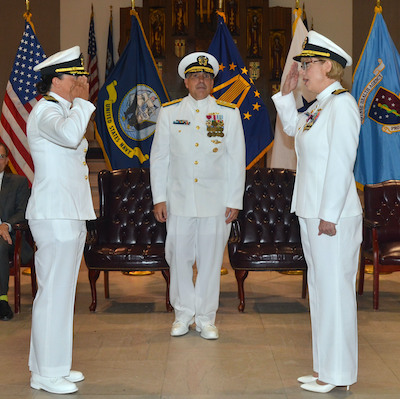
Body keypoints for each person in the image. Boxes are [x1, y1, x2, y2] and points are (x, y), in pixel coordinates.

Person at [272, 31, 363, 393]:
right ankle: (325, 367)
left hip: (333, 215)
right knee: (321, 290)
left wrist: (329, 213)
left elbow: (342, 164)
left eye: (308, 64)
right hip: (312, 210)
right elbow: (294, 129)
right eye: (303, 64)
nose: (303, 69)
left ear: (328, 66)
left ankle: (338, 373)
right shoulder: (320, 105)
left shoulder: (341, 104)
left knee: (336, 294)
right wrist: (286, 92)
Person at [150, 52, 246, 340]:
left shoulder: (229, 113)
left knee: (210, 262)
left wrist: (234, 200)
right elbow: (159, 158)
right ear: (185, 82)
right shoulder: (169, 112)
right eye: (195, 76)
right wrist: (159, 198)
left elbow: (236, 160)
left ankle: (206, 318)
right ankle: (182, 314)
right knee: (178, 258)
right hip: (178, 200)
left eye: (206, 76)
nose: (201, 81)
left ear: (213, 82)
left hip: (215, 202)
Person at [26, 46, 96, 394]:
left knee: (64, 294)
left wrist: (78, 105)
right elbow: (70, 138)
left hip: (69, 212)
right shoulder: (45, 111)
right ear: (57, 81)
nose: (82, 82)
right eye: (75, 77)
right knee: (53, 294)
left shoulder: (63, 111)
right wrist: (83, 103)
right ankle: (45, 373)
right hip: (54, 213)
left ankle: (54, 365)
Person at [0, 143, 30, 321]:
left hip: (12, 239)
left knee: (0, 245)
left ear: (7, 161)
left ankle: (2, 300)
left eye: (1, 156)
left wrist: (6, 225)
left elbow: (22, 211)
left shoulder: (18, 182)